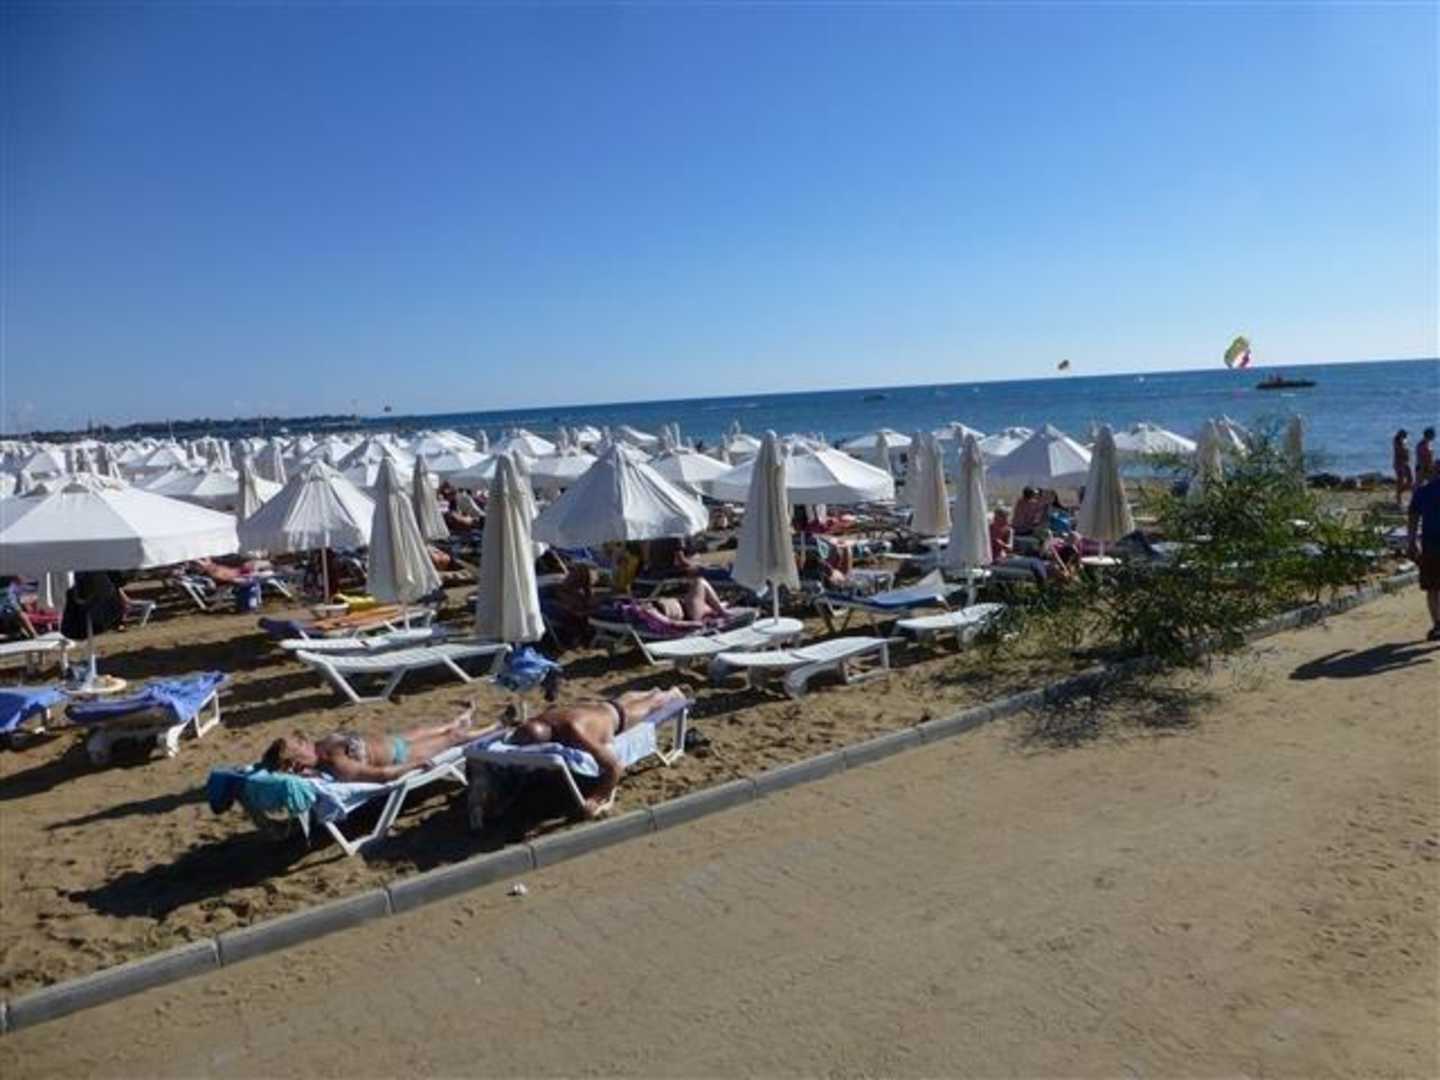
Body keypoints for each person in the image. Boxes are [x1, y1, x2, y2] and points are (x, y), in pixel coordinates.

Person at [508, 687, 687, 817]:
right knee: (630, 698)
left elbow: (615, 767)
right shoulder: (540, 720)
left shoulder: (577, 732)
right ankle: (654, 691)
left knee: (653, 702)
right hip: (600, 707)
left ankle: (672, 693)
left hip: (618, 718)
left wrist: (596, 798)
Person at [261, 713, 482, 782]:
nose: (305, 740)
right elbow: (383, 774)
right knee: (453, 738)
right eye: (300, 744)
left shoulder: (319, 748)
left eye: (301, 740)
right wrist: (415, 765)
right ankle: (495, 728)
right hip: (401, 755)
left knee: (427, 729)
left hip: (391, 741)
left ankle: (456, 721)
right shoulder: (336, 764)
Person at [1406, 466, 1440, 640]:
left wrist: (1412, 542)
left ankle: (1438, 625)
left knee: (1433, 588)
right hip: (1431, 545)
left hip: (1430, 545)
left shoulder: (1423, 492)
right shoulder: (1422, 492)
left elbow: (1413, 518)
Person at [1394, 430, 1414, 507]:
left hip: (1405, 463)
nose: (1406, 438)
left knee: (1410, 480)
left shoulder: (1402, 442)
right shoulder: (1398, 442)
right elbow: (1401, 452)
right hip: (1401, 464)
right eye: (1405, 436)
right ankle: (1399, 497)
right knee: (1401, 481)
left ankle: (1399, 493)